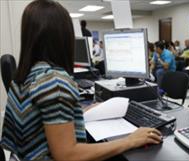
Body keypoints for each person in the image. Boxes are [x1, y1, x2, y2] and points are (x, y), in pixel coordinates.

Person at [0, 0, 162, 160]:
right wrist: (130, 140)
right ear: (64, 36)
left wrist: (75, 112)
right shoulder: (54, 83)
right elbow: (67, 155)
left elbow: (42, 117)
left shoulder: (25, 75)